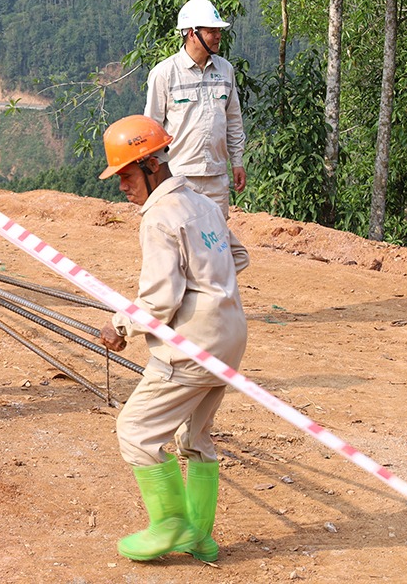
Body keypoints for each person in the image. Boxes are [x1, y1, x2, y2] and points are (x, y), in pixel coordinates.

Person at [96, 114, 249, 563]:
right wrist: (208, 282)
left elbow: (161, 300)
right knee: (196, 438)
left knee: (137, 432)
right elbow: (237, 256)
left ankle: (169, 526)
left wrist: (120, 327)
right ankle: (200, 537)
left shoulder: (159, 217)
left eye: (125, 175)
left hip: (192, 345)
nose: (122, 187)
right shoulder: (201, 203)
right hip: (229, 336)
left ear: (151, 165)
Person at [144, 0, 247, 217]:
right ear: (192, 33)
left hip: (217, 179)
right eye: (212, 31)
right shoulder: (165, 74)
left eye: (218, 30)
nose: (218, 35)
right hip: (178, 177)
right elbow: (151, 128)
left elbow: (234, 121)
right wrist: (157, 176)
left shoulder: (225, 71)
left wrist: (237, 162)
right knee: (180, 239)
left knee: (215, 243)